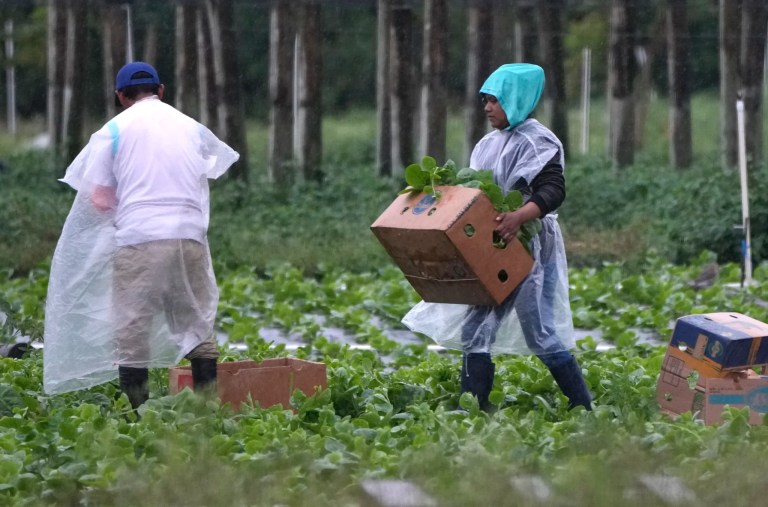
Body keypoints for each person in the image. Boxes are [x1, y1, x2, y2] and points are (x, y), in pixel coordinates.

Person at [43, 62, 239, 409]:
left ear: (121, 97)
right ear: (161, 90)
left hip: (141, 238)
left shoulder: (114, 130)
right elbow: (207, 170)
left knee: (132, 329)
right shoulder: (190, 127)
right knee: (195, 321)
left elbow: (100, 198)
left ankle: (137, 415)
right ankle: (208, 411)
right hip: (189, 237)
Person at [404, 63, 591, 412]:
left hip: (529, 247)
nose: (487, 107)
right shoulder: (488, 144)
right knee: (476, 327)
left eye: (495, 100)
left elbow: (553, 190)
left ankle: (582, 405)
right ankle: (473, 407)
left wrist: (519, 216)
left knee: (539, 332)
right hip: (493, 247)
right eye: (485, 100)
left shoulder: (540, 142)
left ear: (516, 100)